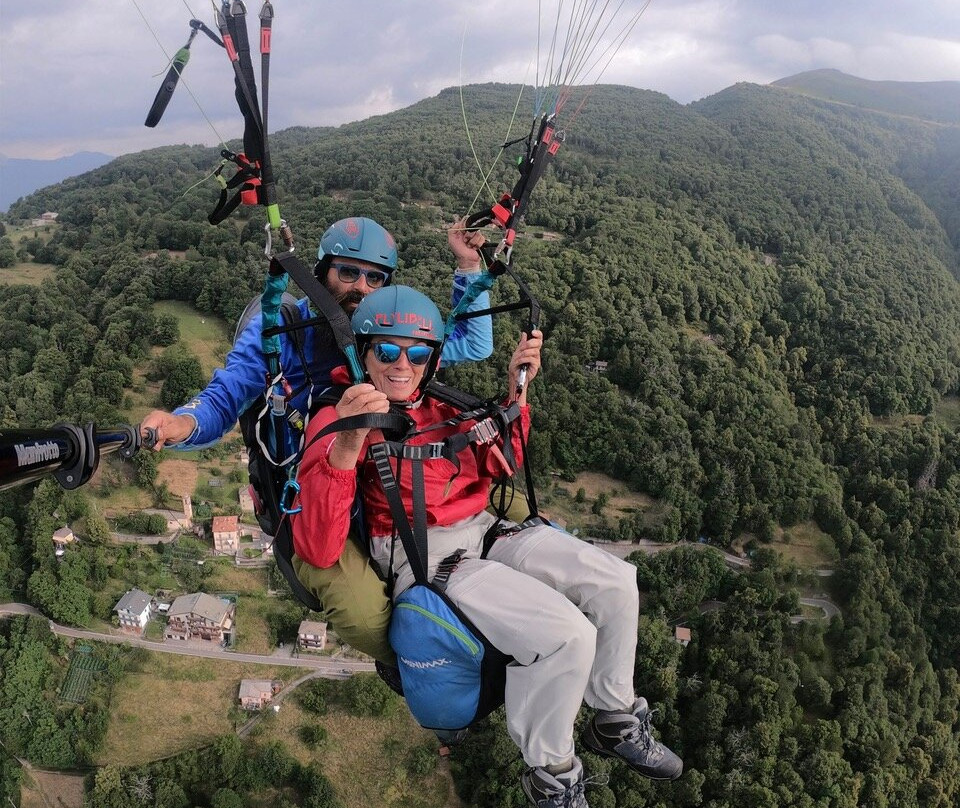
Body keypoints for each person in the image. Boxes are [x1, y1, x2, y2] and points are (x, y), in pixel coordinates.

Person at [292, 285, 683, 807]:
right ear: (362, 353)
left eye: (417, 352)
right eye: (386, 351)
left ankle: (614, 716)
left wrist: (516, 394)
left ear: (432, 359)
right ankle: (554, 775)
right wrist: (346, 444)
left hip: (487, 529)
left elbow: (503, 461)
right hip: (427, 556)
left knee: (616, 581)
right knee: (568, 636)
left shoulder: (440, 404)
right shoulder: (337, 417)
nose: (401, 365)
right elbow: (318, 547)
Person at [141, 216, 492, 663]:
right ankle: (424, 666)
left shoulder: (384, 335)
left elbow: (469, 343)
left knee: (512, 509)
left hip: (388, 477)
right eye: (347, 272)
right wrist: (180, 425)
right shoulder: (288, 331)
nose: (360, 288)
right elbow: (228, 394)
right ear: (321, 271)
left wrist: (467, 265)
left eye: (374, 277)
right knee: (366, 619)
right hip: (317, 492)